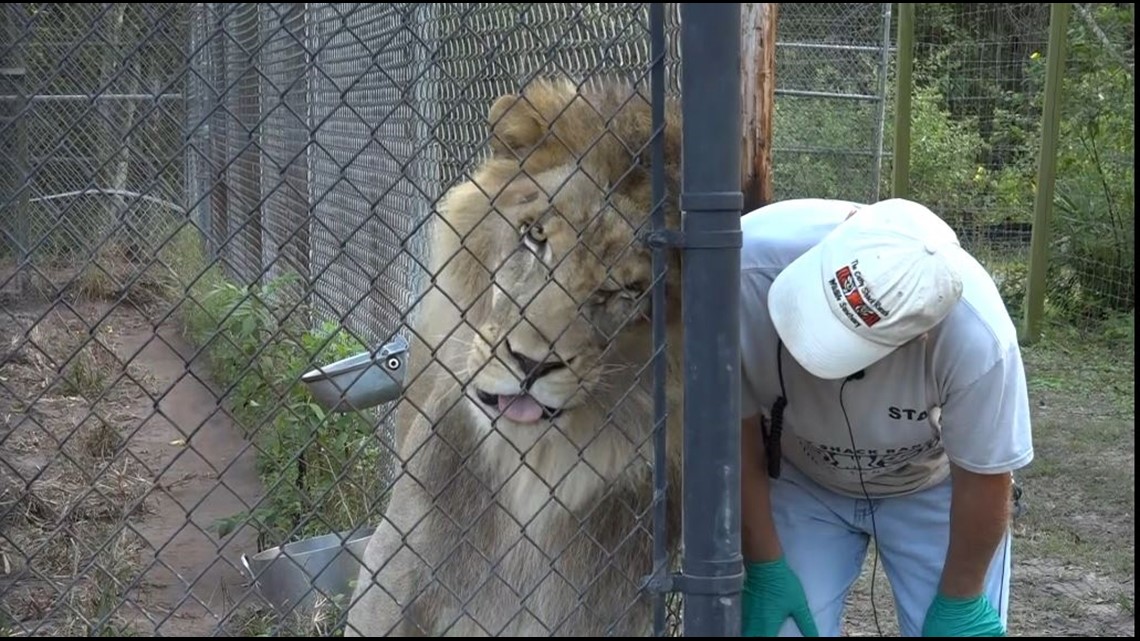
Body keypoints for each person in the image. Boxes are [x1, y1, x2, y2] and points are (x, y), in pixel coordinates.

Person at [736, 197, 1034, 637]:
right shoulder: (741, 267)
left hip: (930, 487)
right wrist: (765, 565)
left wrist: (962, 602)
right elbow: (733, 432)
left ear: (922, 333)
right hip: (802, 479)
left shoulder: (980, 338)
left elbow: (986, 476)